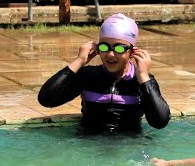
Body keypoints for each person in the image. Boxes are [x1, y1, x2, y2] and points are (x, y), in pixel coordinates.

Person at [38, 13, 171, 133]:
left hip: (128, 146)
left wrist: (143, 77)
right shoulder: (88, 76)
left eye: (119, 48)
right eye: (104, 47)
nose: (111, 55)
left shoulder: (141, 82)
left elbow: (160, 122)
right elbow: (46, 99)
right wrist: (78, 62)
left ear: (132, 52)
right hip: (89, 146)